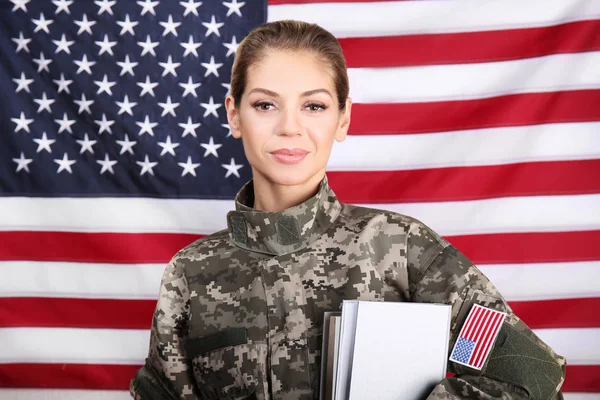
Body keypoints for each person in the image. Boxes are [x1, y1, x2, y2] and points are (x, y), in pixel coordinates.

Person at [130, 20, 566, 400]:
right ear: (234, 115)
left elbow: (526, 373)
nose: (289, 126)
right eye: (266, 104)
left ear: (342, 120)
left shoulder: (403, 250)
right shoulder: (191, 274)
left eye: (314, 106)